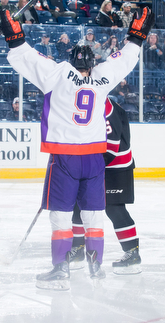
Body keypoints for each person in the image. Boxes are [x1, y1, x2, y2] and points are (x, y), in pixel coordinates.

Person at [0, 6, 154, 289]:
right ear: (92, 63)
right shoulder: (102, 77)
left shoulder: (57, 74)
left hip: (66, 158)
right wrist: (137, 36)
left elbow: (27, 57)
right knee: (94, 213)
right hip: (95, 159)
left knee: (60, 214)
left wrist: (15, 37)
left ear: (70, 60)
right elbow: (126, 59)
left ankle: (60, 270)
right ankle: (96, 266)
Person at [70, 97, 141, 275]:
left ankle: (132, 252)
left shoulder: (106, 106)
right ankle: (78, 249)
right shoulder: (94, 102)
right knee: (79, 204)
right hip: (100, 164)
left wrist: (92, 165)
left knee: (114, 208)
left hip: (116, 167)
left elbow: (112, 144)